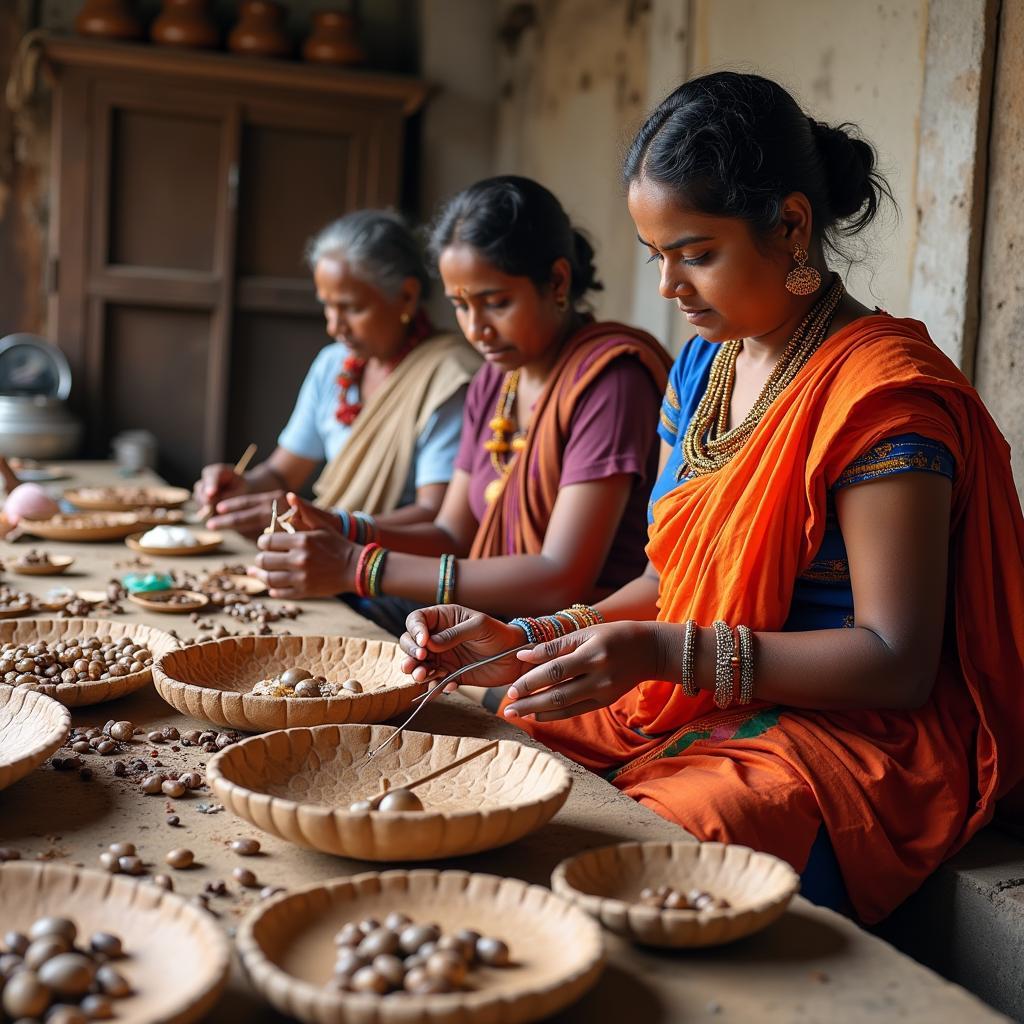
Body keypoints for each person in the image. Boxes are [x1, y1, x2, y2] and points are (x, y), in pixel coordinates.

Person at [397, 73, 1024, 924]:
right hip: (704, 689)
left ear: (793, 226)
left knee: (669, 838)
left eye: (695, 253)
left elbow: (895, 659)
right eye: (657, 255)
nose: (668, 286)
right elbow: (670, 580)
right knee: (503, 750)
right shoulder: (703, 368)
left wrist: (662, 657)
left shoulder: (883, 398)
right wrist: (527, 640)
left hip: (853, 730)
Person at [251, 176, 672, 634]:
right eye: (461, 306)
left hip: (574, 643)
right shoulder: (496, 382)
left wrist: (360, 565)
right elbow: (452, 534)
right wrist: (341, 528)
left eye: (496, 303)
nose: (477, 329)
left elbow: (560, 577)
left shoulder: (609, 380)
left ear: (556, 281)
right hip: (487, 621)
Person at [193, 210, 479, 539]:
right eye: (328, 306)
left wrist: (334, 525)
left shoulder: (448, 379)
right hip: (327, 552)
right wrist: (241, 487)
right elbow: (281, 474)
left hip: (394, 573)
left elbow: (435, 515)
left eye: (353, 308)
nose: (334, 326)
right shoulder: (334, 365)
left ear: (407, 296)